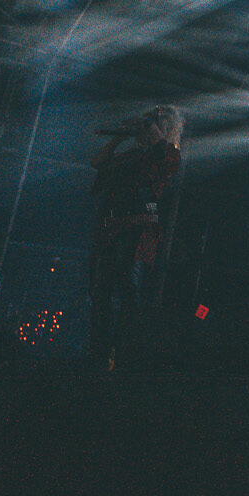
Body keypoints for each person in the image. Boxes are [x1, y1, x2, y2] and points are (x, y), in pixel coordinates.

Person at [88, 104, 183, 366]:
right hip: (111, 229)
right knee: (100, 290)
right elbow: (98, 163)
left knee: (128, 292)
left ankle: (125, 356)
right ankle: (99, 354)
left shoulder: (166, 155)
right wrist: (119, 137)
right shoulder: (132, 155)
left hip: (137, 232)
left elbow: (165, 155)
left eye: (152, 126)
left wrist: (148, 124)